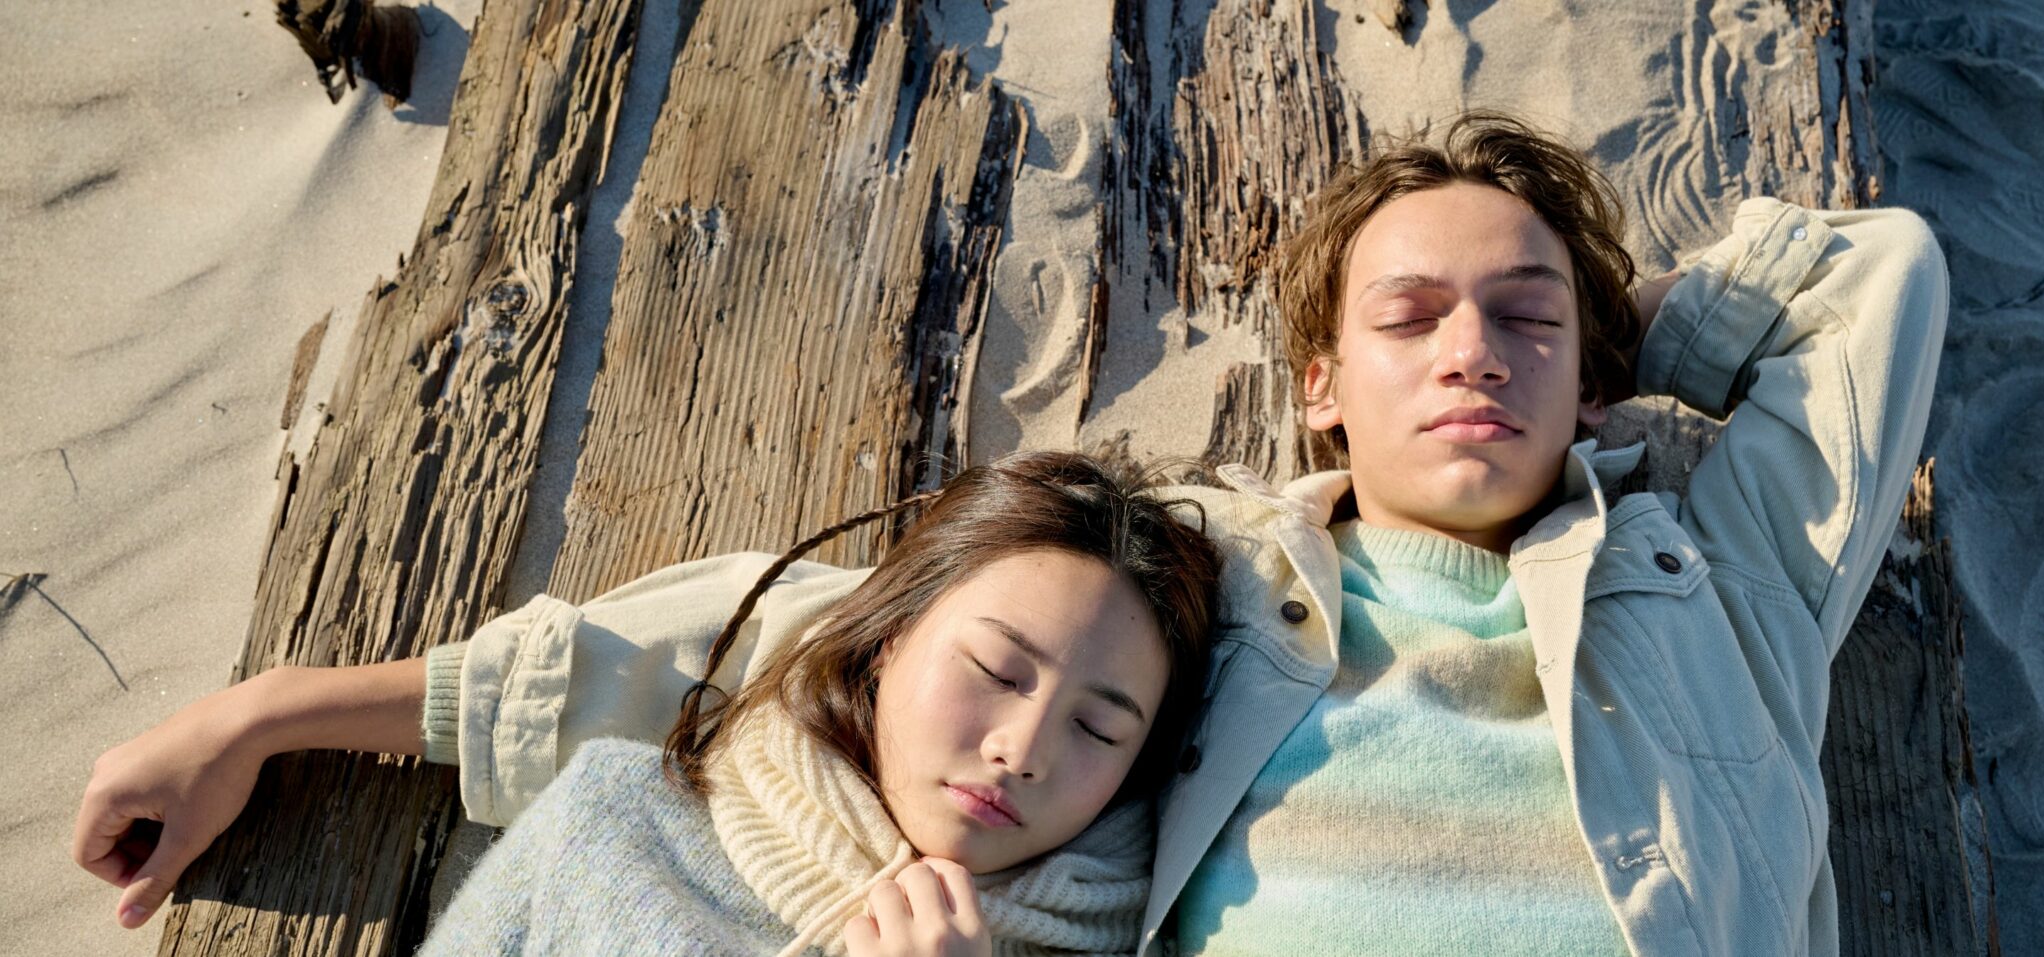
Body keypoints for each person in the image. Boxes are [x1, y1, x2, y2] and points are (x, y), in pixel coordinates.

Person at [76, 110, 1948, 955]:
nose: (1474, 351)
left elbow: (1883, 266)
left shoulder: (1730, 559)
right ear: (1318, 381)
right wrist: (268, 715)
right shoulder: (1217, 586)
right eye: (1410, 315)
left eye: (1527, 314)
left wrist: (1654, 358)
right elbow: (788, 631)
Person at [408, 450, 1221, 955]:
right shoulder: (616, 822)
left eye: (1097, 727)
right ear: (888, 636)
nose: (1023, 747)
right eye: (996, 670)